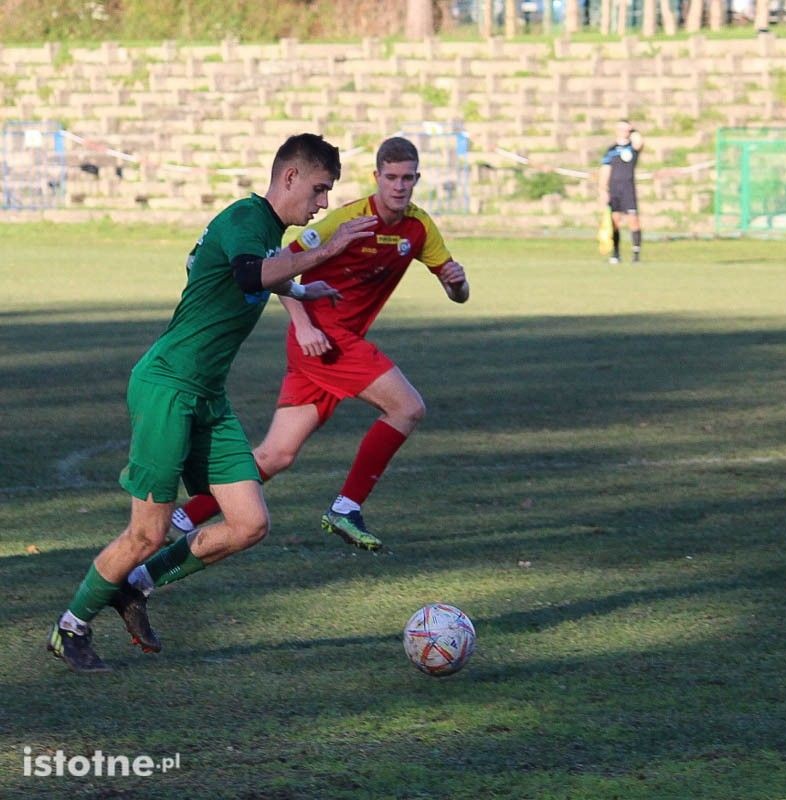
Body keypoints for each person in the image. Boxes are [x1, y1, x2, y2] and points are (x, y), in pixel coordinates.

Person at [47, 134, 378, 673]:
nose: (321, 204)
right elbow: (249, 272)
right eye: (319, 190)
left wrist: (300, 293)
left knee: (248, 523)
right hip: (169, 386)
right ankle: (71, 627)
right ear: (289, 177)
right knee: (147, 533)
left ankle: (136, 586)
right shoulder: (245, 219)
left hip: (207, 395)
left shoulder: (264, 230)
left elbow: (245, 274)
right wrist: (326, 251)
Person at [169, 136, 470, 553]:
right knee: (408, 406)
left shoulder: (419, 229)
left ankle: (185, 516)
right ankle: (346, 507)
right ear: (377, 177)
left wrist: (459, 285)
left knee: (277, 455)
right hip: (324, 337)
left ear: (417, 179)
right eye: (391, 177)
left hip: (332, 348)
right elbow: (276, 267)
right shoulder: (346, 221)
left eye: (408, 178)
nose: (399, 186)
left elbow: (457, 292)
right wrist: (304, 326)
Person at [599, 119, 644, 264]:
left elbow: (639, 142)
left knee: (633, 220)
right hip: (614, 189)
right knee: (615, 221)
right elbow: (605, 170)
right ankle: (616, 253)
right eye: (621, 129)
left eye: (626, 129)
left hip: (628, 188)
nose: (624, 131)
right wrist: (603, 189)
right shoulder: (611, 150)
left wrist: (633, 130)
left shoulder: (633, 147)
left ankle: (636, 254)